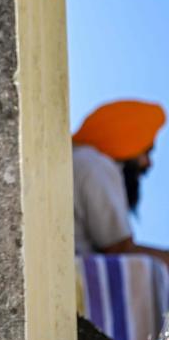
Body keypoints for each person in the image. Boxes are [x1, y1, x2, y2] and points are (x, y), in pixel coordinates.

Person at [72, 99, 169, 267]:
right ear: (128, 139)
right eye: (146, 152)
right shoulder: (97, 165)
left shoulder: (78, 158)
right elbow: (120, 249)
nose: (148, 163)